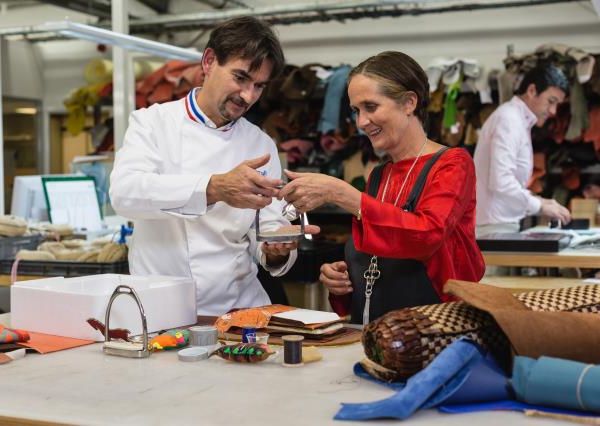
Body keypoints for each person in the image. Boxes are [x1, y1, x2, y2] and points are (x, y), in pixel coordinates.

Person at [109, 17, 318, 316]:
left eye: (259, 86)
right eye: (241, 77)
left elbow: (269, 228)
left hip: (238, 309)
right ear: (209, 61)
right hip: (161, 310)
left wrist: (276, 249)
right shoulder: (152, 123)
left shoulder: (260, 144)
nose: (248, 96)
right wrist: (213, 187)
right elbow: (125, 194)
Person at [278, 51, 485, 325]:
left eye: (371, 107)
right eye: (356, 110)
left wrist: (343, 194)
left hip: (435, 331)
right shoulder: (379, 176)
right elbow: (376, 262)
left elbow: (426, 235)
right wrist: (342, 278)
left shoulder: (452, 164)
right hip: (380, 332)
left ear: (409, 102)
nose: (361, 121)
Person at [474, 65, 572, 239]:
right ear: (532, 90)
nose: (553, 111)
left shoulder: (516, 120)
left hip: (498, 227)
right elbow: (501, 181)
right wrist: (540, 206)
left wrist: (540, 201)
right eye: (551, 101)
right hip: (493, 230)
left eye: (557, 104)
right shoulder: (509, 121)